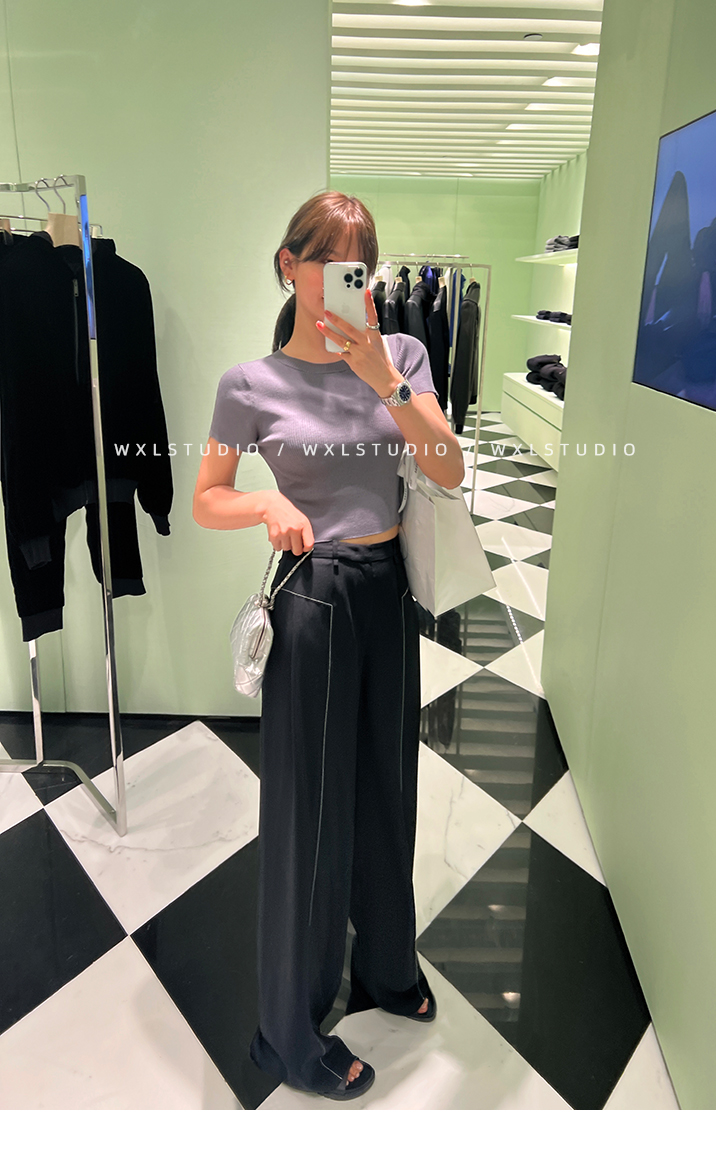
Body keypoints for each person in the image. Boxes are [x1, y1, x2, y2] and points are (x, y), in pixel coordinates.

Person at [193, 191, 465, 1100]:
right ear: (289, 266)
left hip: (389, 596)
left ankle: (385, 966)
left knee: (388, 789)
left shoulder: (404, 355)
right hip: (311, 598)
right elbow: (207, 497)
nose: (350, 280)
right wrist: (265, 502)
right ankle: (289, 1034)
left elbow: (448, 466)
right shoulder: (249, 384)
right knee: (307, 814)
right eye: (331, 262)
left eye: (362, 266)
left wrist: (386, 377)